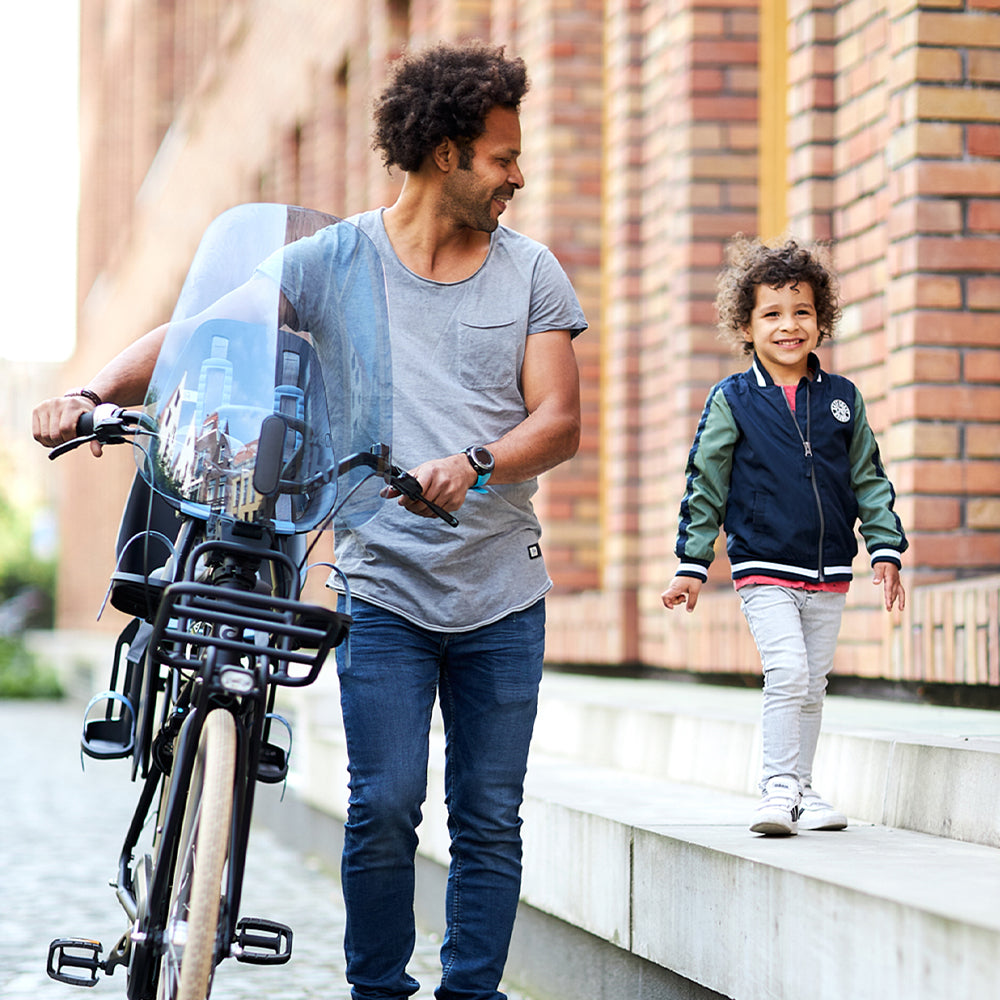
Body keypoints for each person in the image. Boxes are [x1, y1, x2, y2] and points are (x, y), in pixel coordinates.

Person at [33, 39, 586, 1000]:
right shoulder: (338, 260)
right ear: (447, 155)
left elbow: (560, 421)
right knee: (382, 806)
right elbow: (207, 328)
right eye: (503, 155)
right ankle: (378, 990)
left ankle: (472, 993)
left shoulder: (531, 271)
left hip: (503, 592)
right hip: (383, 585)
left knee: (489, 815)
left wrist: (479, 461)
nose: (517, 175)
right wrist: (89, 392)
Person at [660, 235, 906, 837]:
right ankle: (775, 787)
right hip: (764, 565)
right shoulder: (733, 400)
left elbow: (869, 478)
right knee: (789, 673)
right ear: (746, 325)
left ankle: (804, 789)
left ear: (822, 323)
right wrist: (692, 565)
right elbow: (705, 483)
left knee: (813, 685)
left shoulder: (843, 400)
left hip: (829, 570)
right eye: (772, 313)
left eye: (802, 312)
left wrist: (885, 547)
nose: (788, 325)